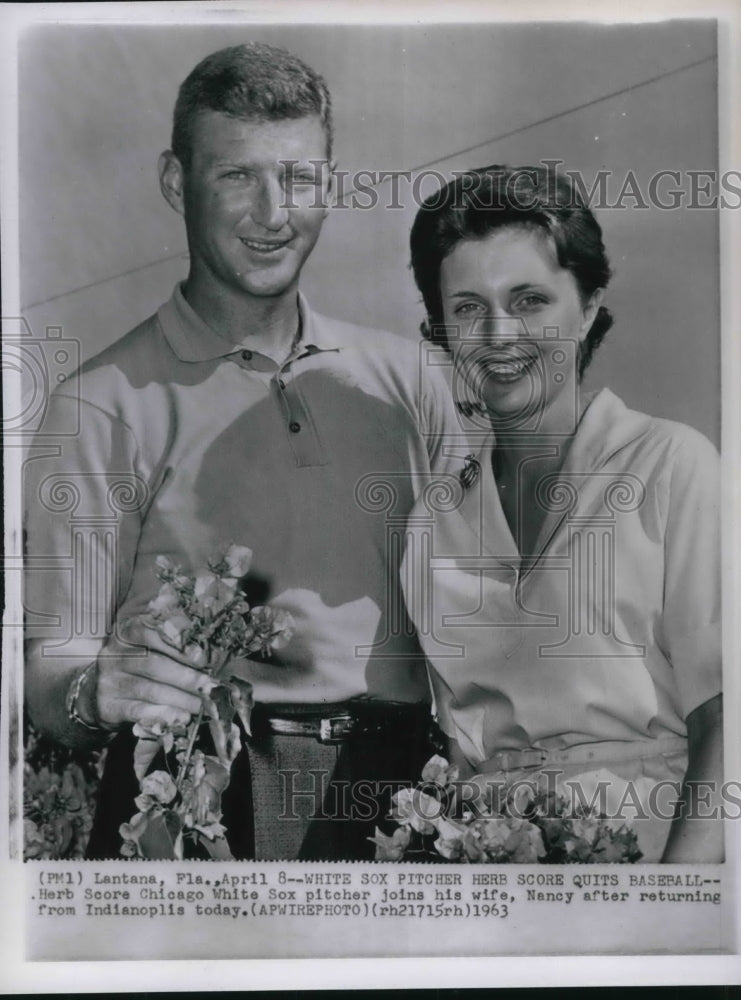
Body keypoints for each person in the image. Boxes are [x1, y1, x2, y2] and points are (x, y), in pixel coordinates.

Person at [23, 42, 461, 861]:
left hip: (400, 795)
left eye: (298, 178)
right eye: (237, 176)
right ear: (174, 181)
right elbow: (54, 675)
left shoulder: (408, 382)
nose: (273, 213)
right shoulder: (95, 403)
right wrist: (96, 691)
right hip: (204, 792)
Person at [403, 165, 723, 862]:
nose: (497, 334)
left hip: (651, 860)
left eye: (529, 301)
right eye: (465, 307)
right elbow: (457, 757)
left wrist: (670, 913)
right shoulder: (435, 514)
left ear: (587, 306)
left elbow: (725, 722)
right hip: (488, 881)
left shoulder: (670, 465)